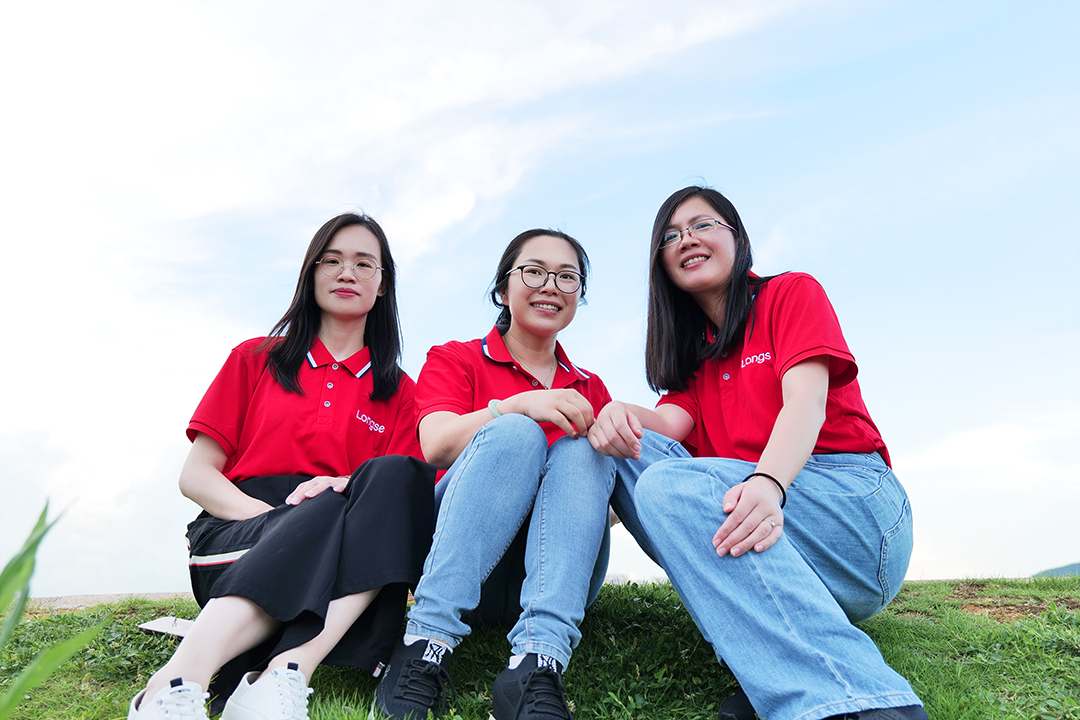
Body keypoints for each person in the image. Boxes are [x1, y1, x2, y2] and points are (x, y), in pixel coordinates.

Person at [587, 186, 929, 720]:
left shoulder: (788, 294)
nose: (687, 239)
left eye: (702, 225)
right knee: (615, 448)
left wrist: (769, 484)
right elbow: (659, 432)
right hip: (769, 531)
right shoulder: (696, 361)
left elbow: (806, 402)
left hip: (853, 510)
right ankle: (776, 662)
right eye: (670, 236)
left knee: (670, 482)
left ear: (738, 239)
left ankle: (860, 702)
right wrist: (612, 414)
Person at [127, 213, 435, 720]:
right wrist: (280, 520)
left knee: (396, 478)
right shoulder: (255, 358)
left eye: (364, 264)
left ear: (383, 285)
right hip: (237, 535)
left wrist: (342, 486)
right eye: (331, 261)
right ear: (311, 274)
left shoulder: (401, 393)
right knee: (320, 509)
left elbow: (394, 505)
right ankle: (172, 685)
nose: (347, 273)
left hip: (344, 567)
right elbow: (195, 476)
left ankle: (280, 679)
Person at [372, 229, 615, 720]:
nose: (550, 286)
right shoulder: (455, 358)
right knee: (516, 434)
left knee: (586, 451)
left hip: (551, 577)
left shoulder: (591, 388)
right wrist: (518, 405)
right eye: (534, 272)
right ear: (503, 289)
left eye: (567, 277)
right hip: (463, 563)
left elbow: (604, 503)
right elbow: (436, 444)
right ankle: (425, 641)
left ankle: (538, 660)